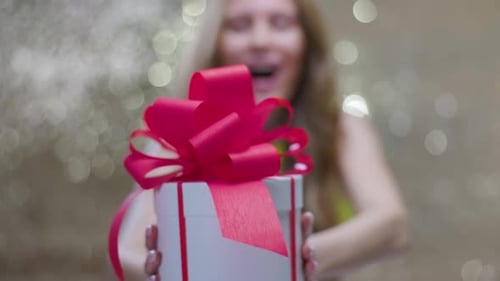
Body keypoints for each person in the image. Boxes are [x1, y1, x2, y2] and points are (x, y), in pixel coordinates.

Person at [118, 0, 410, 280]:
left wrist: (290, 260)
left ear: (307, 42)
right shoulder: (180, 139)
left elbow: (392, 224)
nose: (260, 40)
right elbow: (128, 252)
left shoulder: (341, 128)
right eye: (240, 24)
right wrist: (162, 270)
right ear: (216, 42)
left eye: (281, 23)